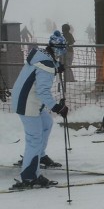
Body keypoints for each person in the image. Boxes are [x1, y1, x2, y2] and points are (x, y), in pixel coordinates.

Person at [10, 30, 69, 189]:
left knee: (46, 123)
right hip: (28, 104)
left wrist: (56, 67)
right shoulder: (47, 64)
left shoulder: (42, 55)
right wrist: (57, 107)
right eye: (62, 50)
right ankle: (29, 176)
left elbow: (43, 67)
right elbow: (43, 90)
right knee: (34, 139)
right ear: (56, 49)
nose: (62, 53)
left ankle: (39, 156)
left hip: (28, 101)